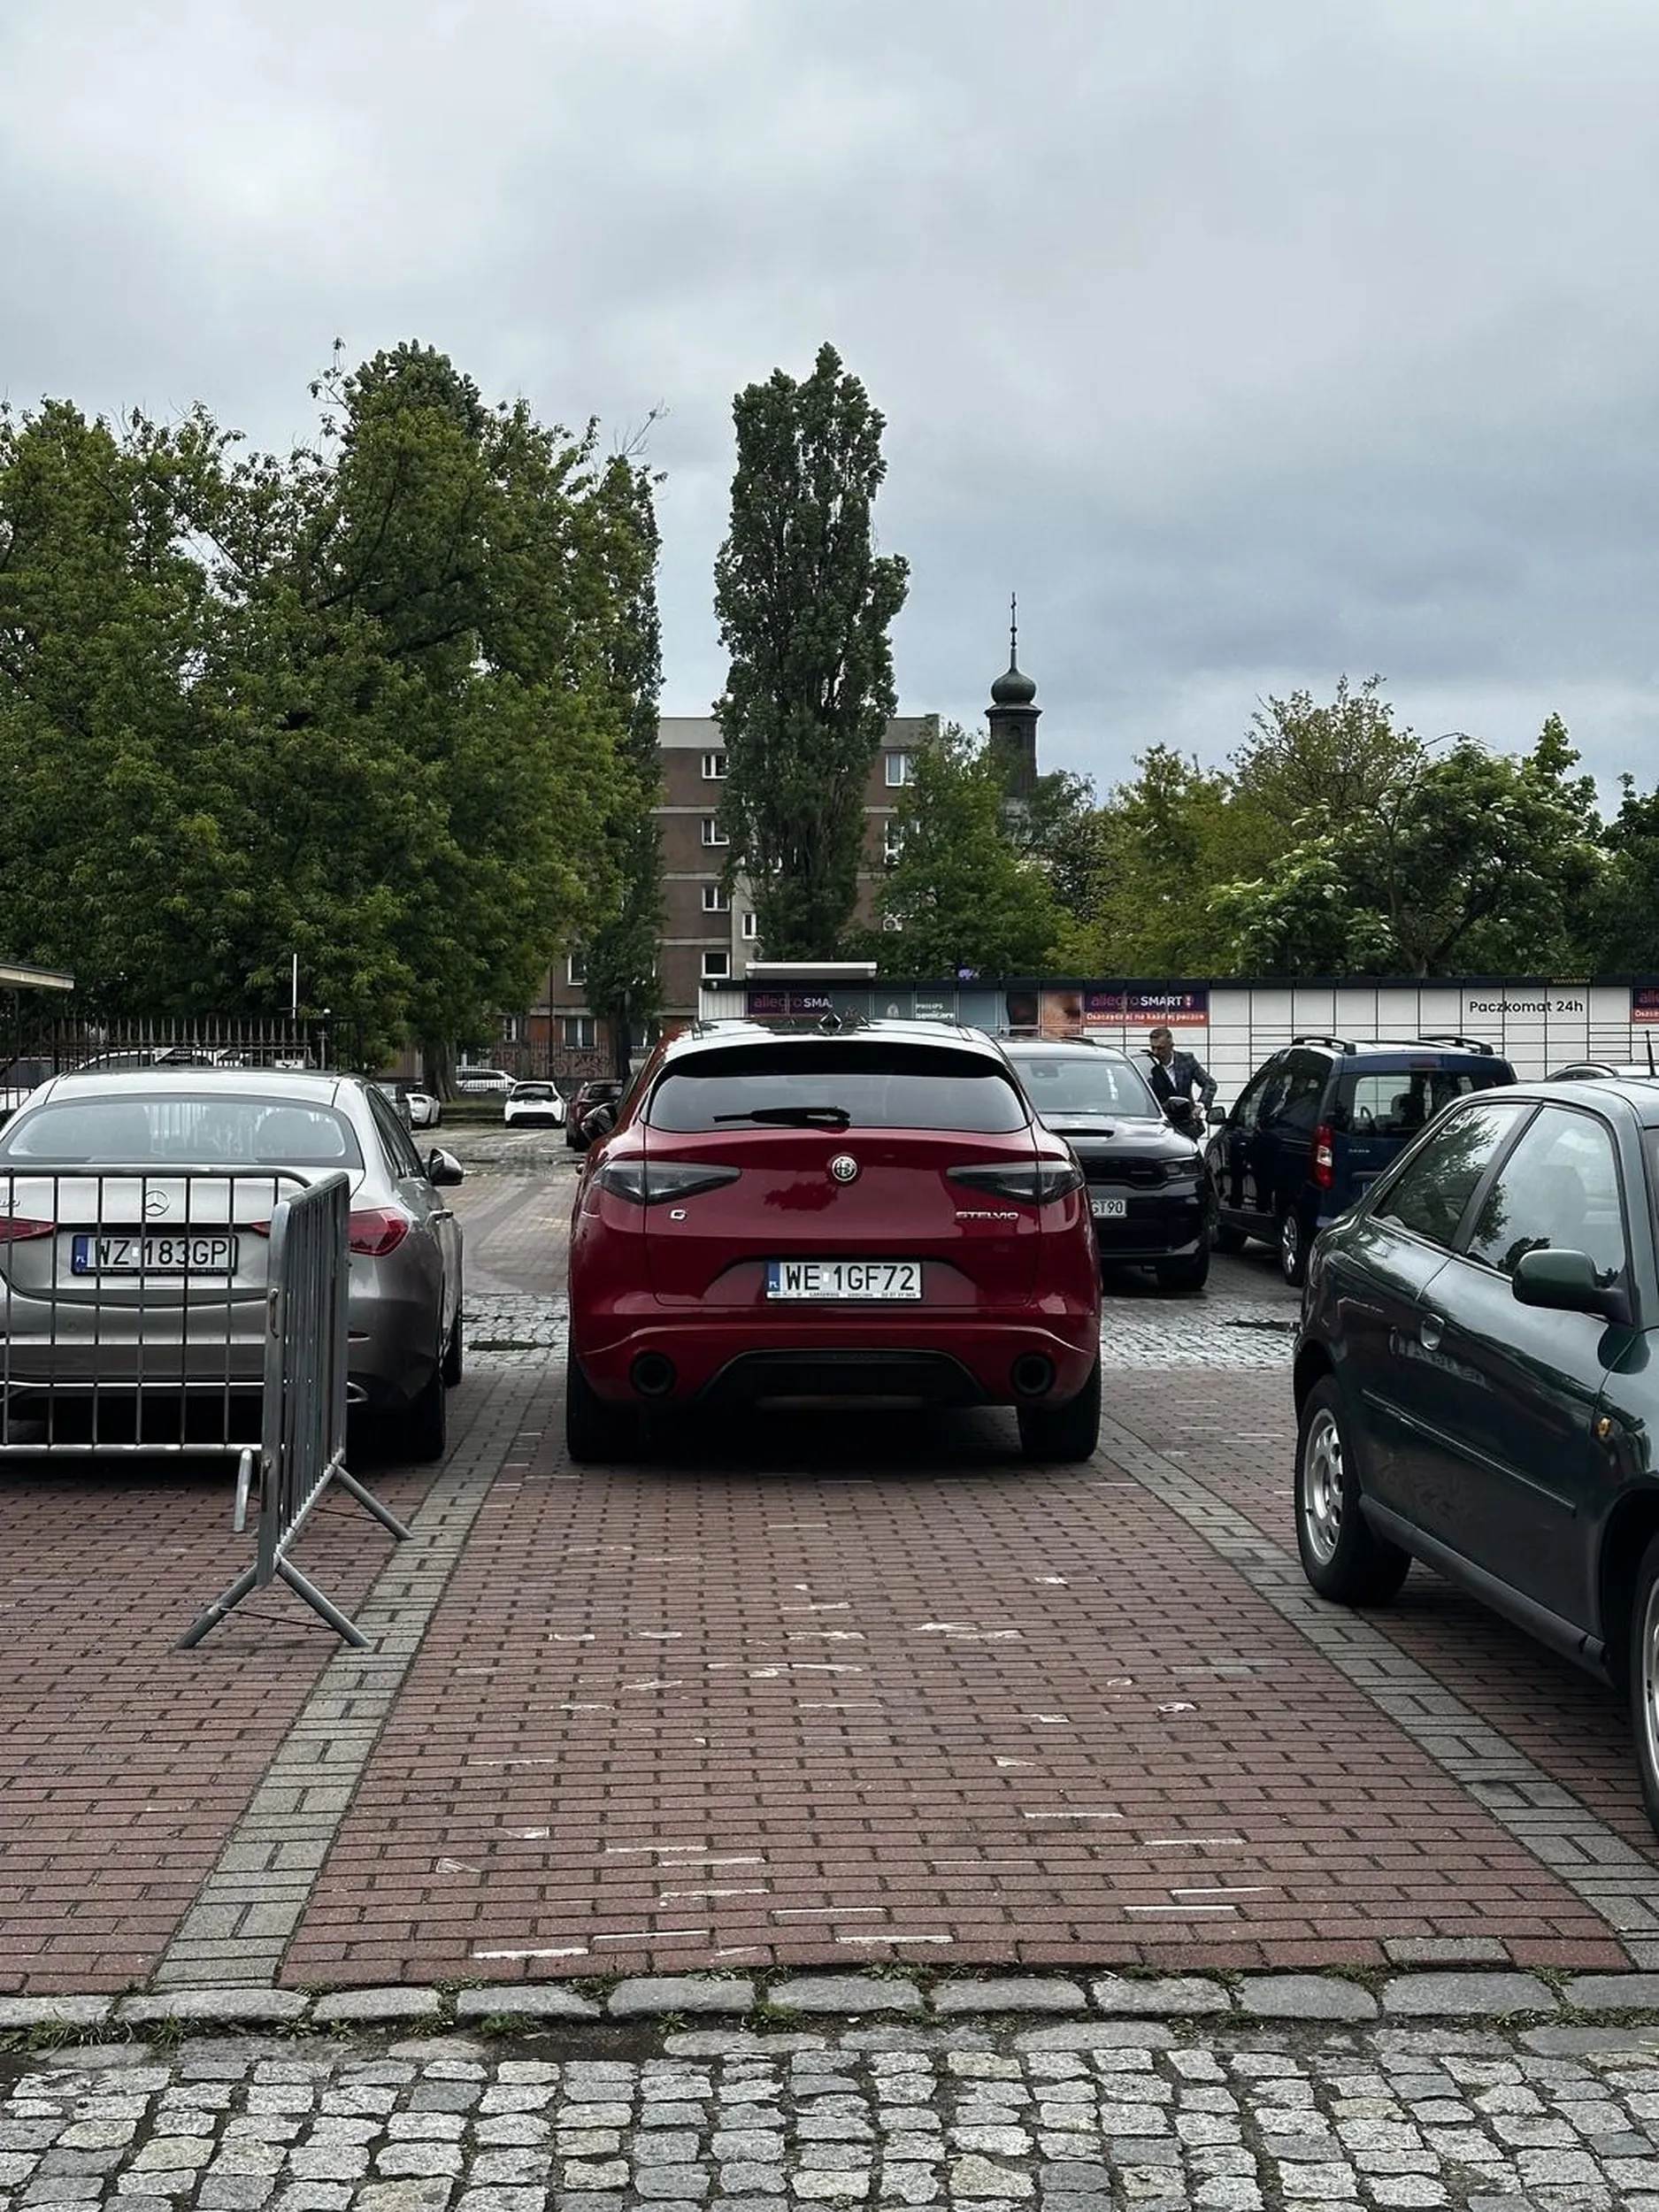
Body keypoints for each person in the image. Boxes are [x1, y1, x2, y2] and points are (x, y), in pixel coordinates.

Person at [1145, 1025, 1217, 1124]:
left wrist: (1200, 1106)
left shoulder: (1187, 1060)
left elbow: (1210, 1084)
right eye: (1153, 1048)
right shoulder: (1149, 1065)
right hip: (1161, 1123)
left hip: (1186, 1121)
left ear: (1171, 1046)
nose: (1156, 1052)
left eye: (1161, 1048)